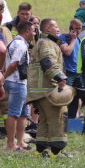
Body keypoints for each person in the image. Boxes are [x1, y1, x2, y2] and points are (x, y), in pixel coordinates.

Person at [27, 18, 70, 157]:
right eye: (56, 26)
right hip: (48, 88)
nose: (58, 29)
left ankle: (41, 151)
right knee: (58, 117)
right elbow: (48, 61)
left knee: (44, 121)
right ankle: (57, 152)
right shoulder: (47, 43)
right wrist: (60, 77)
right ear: (48, 28)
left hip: (39, 91)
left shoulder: (40, 42)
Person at [4, 21, 34, 150]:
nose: (34, 33)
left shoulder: (13, 42)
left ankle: (20, 142)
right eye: (33, 31)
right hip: (16, 82)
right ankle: (11, 144)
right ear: (27, 31)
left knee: (23, 113)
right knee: (14, 113)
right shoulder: (20, 45)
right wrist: (3, 77)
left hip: (19, 82)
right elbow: (13, 64)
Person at [59, 18, 84, 118]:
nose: (78, 31)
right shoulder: (64, 37)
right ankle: (62, 119)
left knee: (76, 98)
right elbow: (67, 51)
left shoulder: (79, 39)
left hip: (78, 73)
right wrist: (73, 39)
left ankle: (72, 119)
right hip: (68, 73)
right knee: (66, 97)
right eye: (76, 28)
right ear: (70, 28)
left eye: (80, 29)